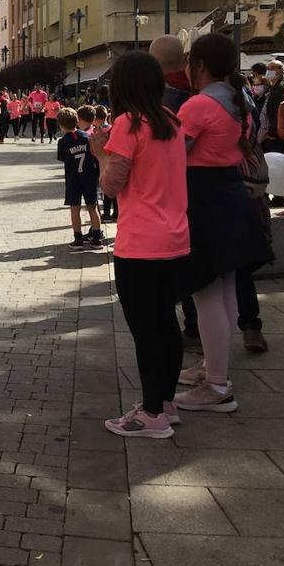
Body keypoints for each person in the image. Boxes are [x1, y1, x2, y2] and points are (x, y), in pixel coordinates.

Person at [173, 34, 272, 413]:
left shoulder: (199, 105)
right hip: (230, 193)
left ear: (197, 65)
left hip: (204, 198)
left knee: (206, 292)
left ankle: (216, 384)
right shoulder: (239, 100)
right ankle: (215, 367)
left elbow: (174, 155)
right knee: (226, 288)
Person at [93, 52, 189, 437]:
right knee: (167, 323)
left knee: (145, 329)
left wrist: (100, 154)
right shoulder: (171, 122)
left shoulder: (128, 124)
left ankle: (150, 414)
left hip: (140, 243)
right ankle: (165, 402)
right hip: (176, 237)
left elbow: (111, 186)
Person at [56, 108, 104, 250]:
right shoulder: (87, 137)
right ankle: (96, 238)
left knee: (75, 209)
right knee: (92, 207)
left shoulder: (63, 142)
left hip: (73, 179)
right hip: (89, 177)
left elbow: (62, 158)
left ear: (61, 125)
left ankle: (78, 239)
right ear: (77, 121)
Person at [95, 106, 118, 223]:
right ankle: (116, 213)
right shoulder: (111, 129)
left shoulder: (99, 131)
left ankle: (107, 213)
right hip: (113, 161)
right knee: (114, 192)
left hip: (104, 162)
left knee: (106, 190)